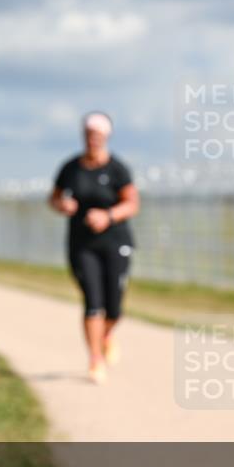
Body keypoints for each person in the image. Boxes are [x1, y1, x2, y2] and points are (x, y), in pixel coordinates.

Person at [49, 112, 139, 384]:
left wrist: (108, 216)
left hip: (115, 241)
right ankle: (95, 359)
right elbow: (53, 198)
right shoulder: (70, 168)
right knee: (92, 301)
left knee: (114, 308)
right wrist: (62, 205)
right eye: (89, 134)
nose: (93, 139)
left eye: (98, 135)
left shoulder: (117, 169)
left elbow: (132, 203)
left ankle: (106, 334)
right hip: (82, 244)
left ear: (106, 137)